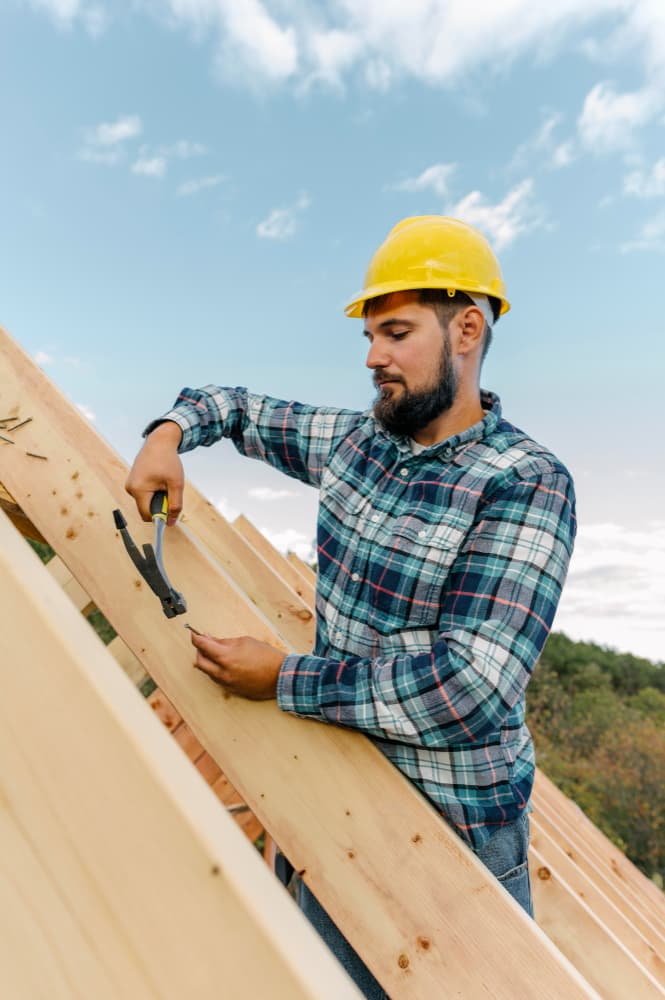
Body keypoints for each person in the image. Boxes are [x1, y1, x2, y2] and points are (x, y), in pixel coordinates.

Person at [126, 216, 576, 999]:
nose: (373, 358)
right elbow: (228, 404)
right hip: (330, 780)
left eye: (395, 334)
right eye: (369, 337)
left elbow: (467, 689)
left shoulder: (524, 481)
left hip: (449, 828)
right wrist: (167, 434)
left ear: (466, 328)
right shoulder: (356, 443)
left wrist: (284, 680)